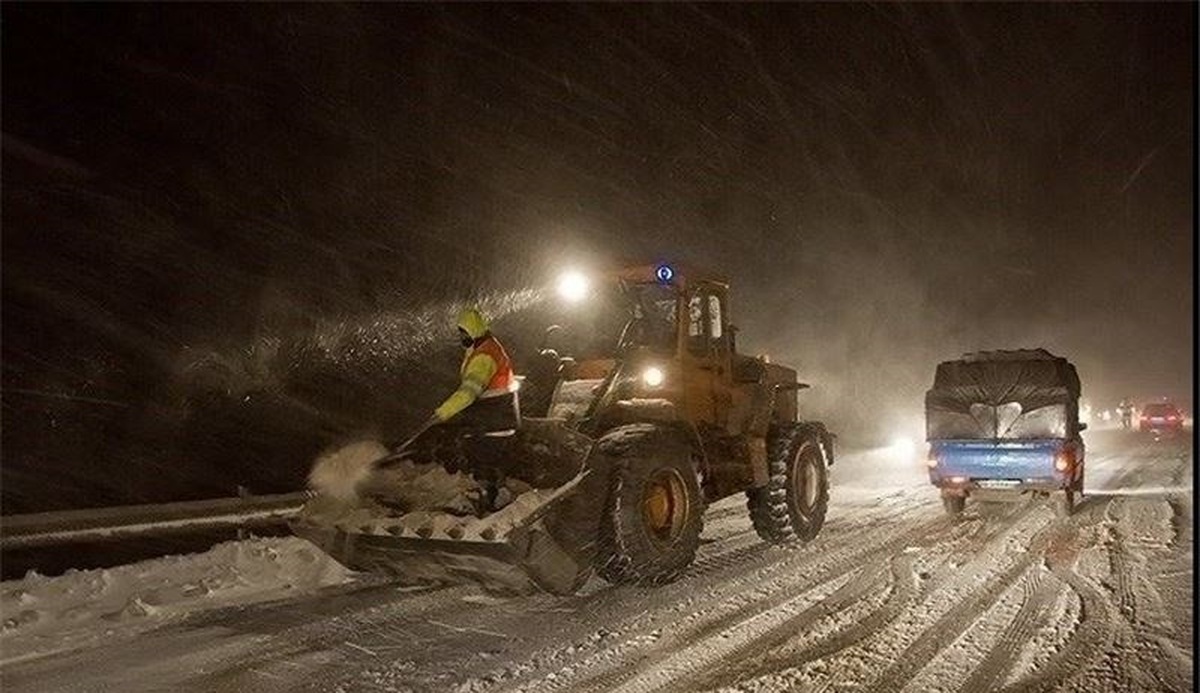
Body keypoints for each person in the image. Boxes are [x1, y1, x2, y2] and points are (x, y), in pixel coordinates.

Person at [427, 306, 520, 435]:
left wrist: (442, 414)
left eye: (464, 333)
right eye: (461, 332)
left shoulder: (484, 356)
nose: (462, 337)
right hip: (499, 417)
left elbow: (469, 392)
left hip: (494, 423)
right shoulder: (487, 345)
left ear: (473, 330)